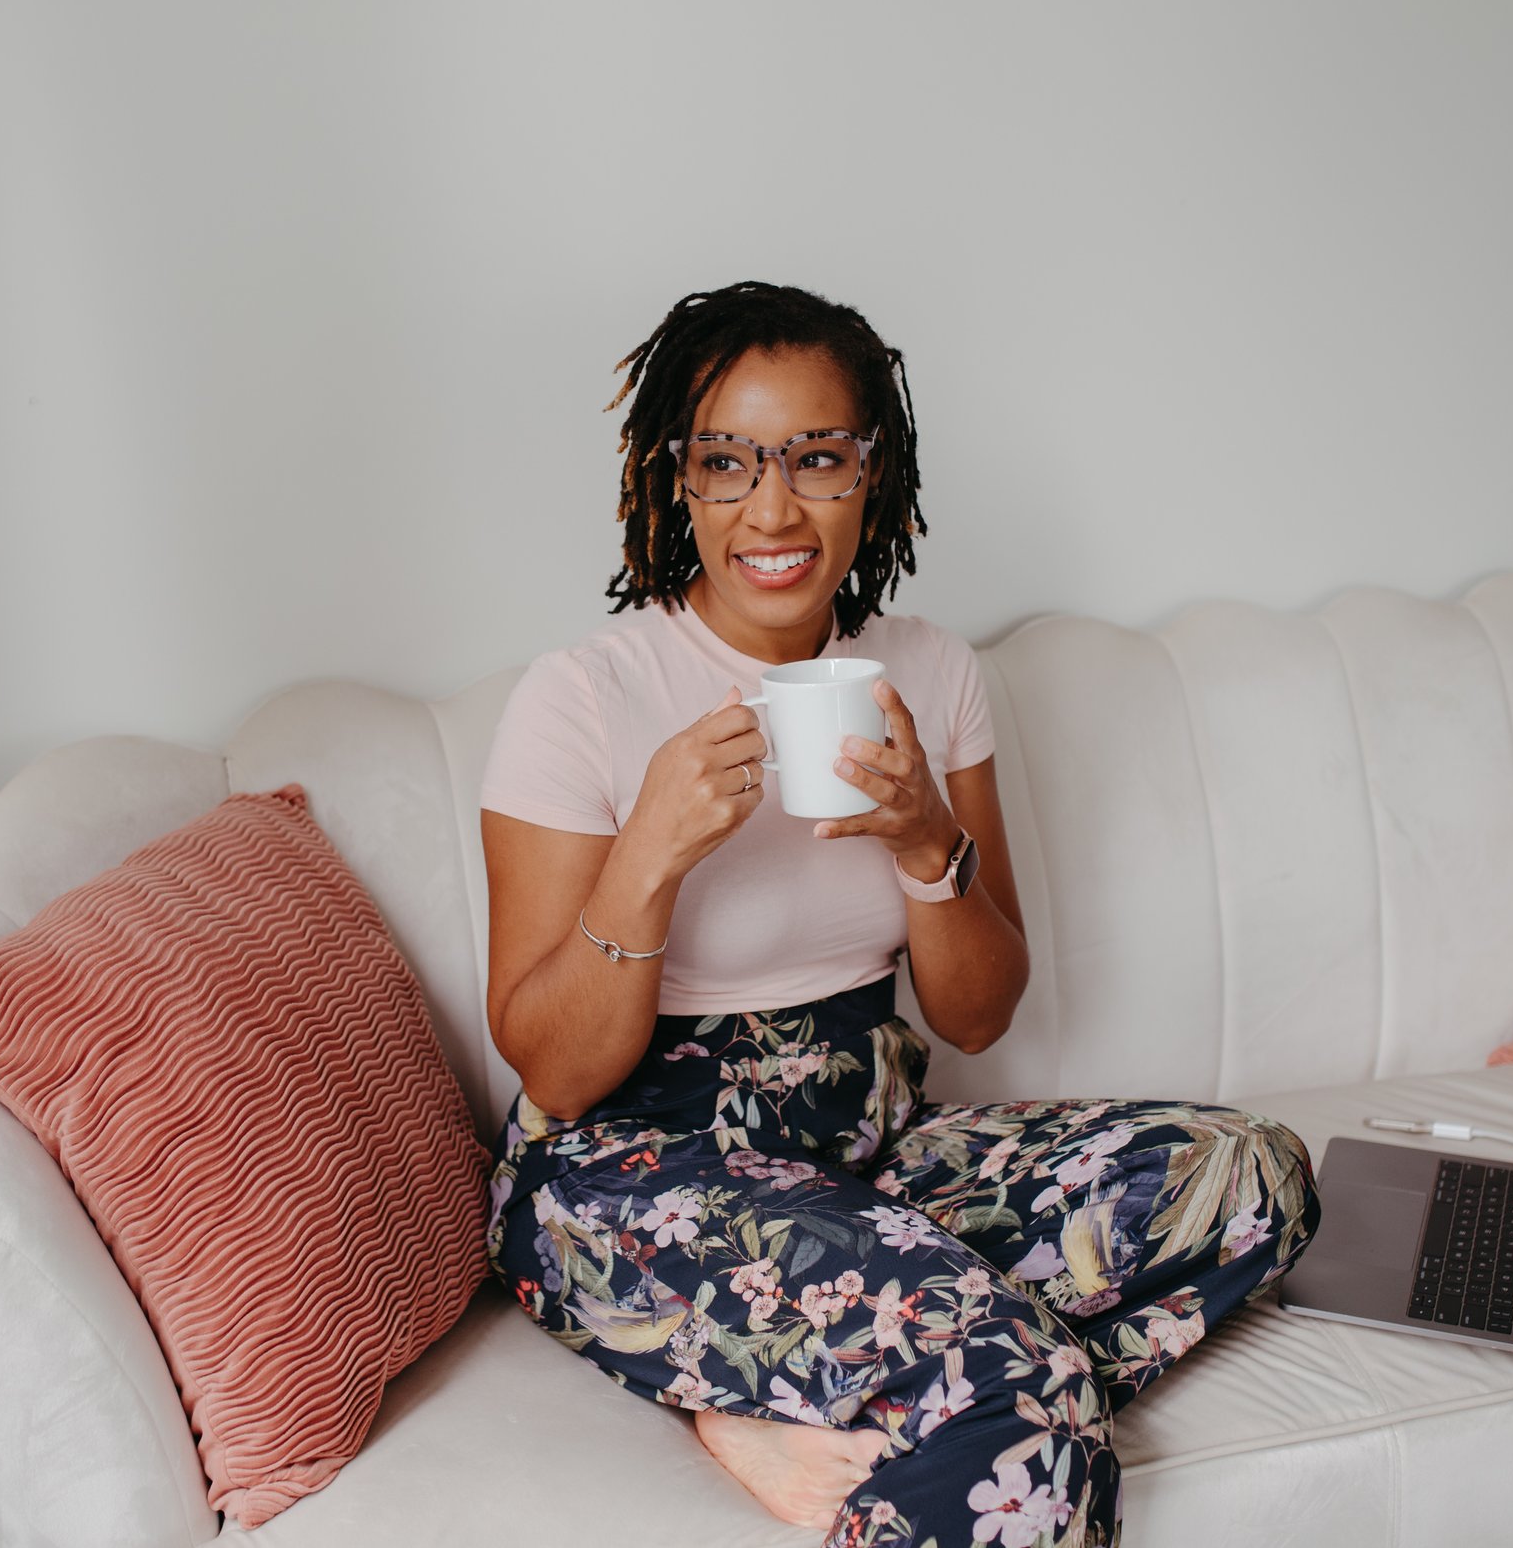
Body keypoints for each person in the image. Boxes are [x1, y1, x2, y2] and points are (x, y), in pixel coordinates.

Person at [477, 280, 1321, 1548]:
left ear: (873, 474)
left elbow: (977, 1013)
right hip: (629, 1173)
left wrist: (929, 841)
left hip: (865, 1155)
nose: (773, 509)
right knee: (1017, 1385)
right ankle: (933, 1378)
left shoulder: (929, 672)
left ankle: (812, 1392)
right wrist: (644, 860)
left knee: (1251, 1177)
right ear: (676, 481)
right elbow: (552, 1066)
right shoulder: (583, 696)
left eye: (816, 458)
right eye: (727, 462)